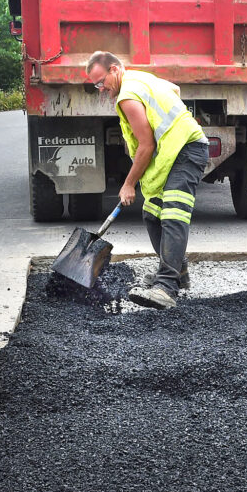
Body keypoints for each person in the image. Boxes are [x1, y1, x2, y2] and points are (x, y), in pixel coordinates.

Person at [85, 51, 209, 310]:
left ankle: (166, 287)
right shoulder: (138, 79)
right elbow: (174, 89)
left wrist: (128, 183)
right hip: (172, 154)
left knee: (173, 215)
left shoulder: (128, 96)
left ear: (114, 69)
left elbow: (146, 145)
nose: (100, 89)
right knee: (152, 214)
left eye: (101, 81)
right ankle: (178, 270)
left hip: (187, 150)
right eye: (95, 85)